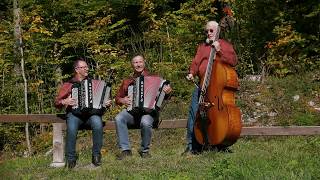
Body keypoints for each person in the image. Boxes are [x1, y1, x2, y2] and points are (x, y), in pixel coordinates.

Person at [182, 21, 238, 155]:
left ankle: (220, 145)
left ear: (218, 31)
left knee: (218, 116)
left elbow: (233, 61)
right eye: (206, 31)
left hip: (218, 88)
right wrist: (191, 73)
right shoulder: (202, 47)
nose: (208, 33)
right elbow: (196, 62)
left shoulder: (225, 45)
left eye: (211, 31)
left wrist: (219, 51)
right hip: (202, 86)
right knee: (194, 115)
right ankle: (192, 147)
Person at [55, 58, 112, 168]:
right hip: (74, 114)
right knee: (71, 128)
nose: (87, 69)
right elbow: (56, 102)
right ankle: (71, 159)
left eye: (87, 67)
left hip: (91, 115)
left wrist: (106, 102)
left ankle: (96, 156)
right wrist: (64, 101)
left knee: (97, 123)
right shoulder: (69, 84)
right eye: (84, 67)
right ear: (77, 69)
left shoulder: (94, 83)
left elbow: (102, 101)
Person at [114, 55, 172, 160]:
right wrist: (123, 100)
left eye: (140, 62)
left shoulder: (155, 78)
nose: (138, 64)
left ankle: (144, 150)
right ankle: (126, 150)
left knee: (145, 121)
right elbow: (117, 98)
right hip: (133, 113)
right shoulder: (128, 81)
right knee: (119, 118)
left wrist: (167, 92)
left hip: (149, 113)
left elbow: (164, 96)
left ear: (144, 63)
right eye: (135, 62)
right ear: (132, 65)